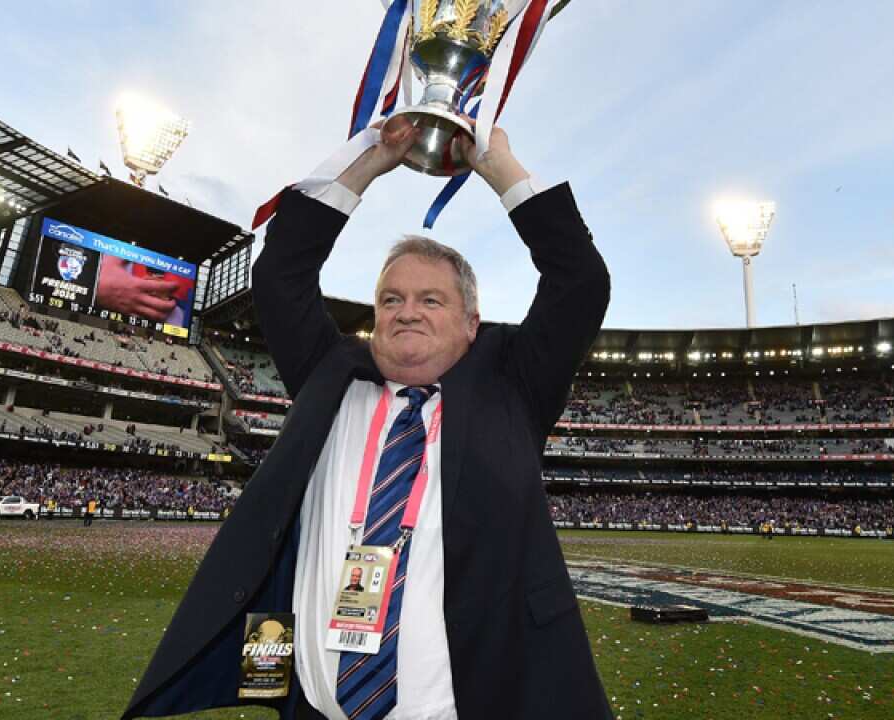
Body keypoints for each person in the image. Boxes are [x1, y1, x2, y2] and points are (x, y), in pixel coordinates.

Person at [126, 119, 613, 719]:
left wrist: (496, 166)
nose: (407, 312)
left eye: (431, 300)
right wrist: (369, 162)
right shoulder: (330, 376)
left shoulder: (512, 388)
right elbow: (281, 275)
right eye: (391, 299)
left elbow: (580, 282)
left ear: (471, 323)